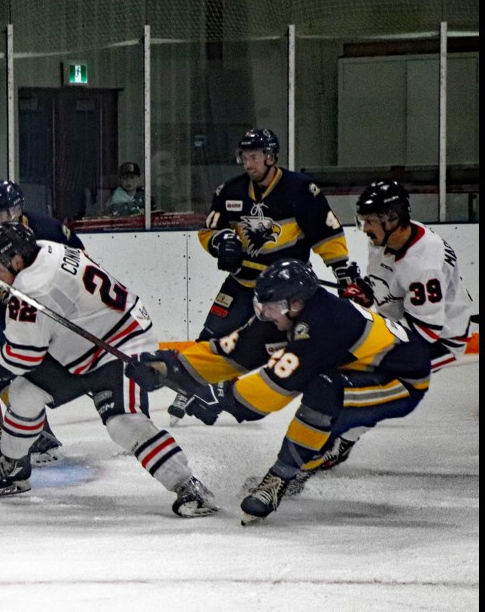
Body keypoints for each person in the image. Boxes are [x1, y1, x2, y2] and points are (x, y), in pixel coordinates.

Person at [126, 259, 431, 524]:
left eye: (270, 306)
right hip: (355, 369)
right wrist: (171, 367)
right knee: (324, 392)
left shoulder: (326, 321)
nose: (263, 313)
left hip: (398, 381)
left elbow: (272, 390)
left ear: (295, 303)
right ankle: (318, 454)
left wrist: (221, 397)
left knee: (324, 393)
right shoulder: (283, 315)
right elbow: (231, 353)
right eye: (262, 305)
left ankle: (279, 479)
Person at [0, 221, 218, 517]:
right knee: (23, 393)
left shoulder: (29, 289)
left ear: (17, 261)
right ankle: (14, 465)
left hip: (122, 343)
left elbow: (23, 355)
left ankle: (189, 486)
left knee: (123, 423)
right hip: (83, 343)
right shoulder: (48, 249)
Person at [294, 180, 475, 479]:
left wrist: (368, 337)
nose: (364, 229)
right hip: (404, 325)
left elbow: (425, 334)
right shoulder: (388, 239)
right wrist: (365, 291)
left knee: (377, 383)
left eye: (370, 222)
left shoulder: (423, 264)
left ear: (392, 219)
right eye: (363, 220)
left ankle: (342, 441)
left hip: (440, 338)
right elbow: (383, 284)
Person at [0, 179, 85, 465]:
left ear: (18, 211)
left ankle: (126, 412)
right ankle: (37, 432)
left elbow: (81, 266)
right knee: (1, 362)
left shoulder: (48, 231)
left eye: (2, 215)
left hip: (47, 305)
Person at [196, 128, 366, 341]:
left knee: (294, 346)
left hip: (288, 289)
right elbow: (209, 230)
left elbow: (326, 233)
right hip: (242, 283)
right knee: (211, 341)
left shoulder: (300, 189)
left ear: (270, 157)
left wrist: (341, 270)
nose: (248, 164)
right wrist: (222, 242)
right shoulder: (230, 191)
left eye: (254, 157)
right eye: (245, 158)